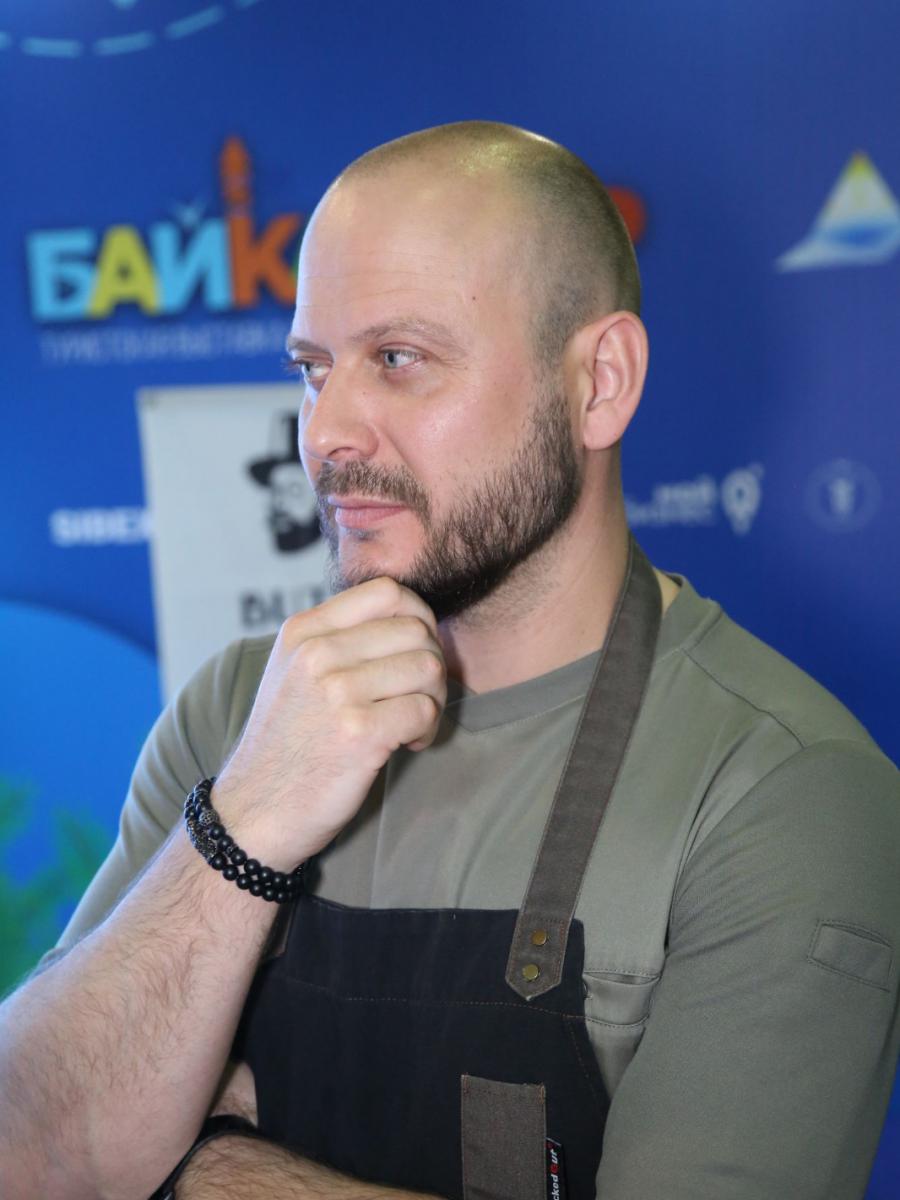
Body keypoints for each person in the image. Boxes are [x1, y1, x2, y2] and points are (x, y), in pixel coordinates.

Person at [1, 121, 898, 1200]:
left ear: (600, 382)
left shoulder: (780, 788)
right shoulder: (240, 708)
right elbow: (28, 1155)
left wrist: (206, 1166)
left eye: (398, 360)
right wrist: (247, 821)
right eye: (313, 369)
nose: (325, 433)